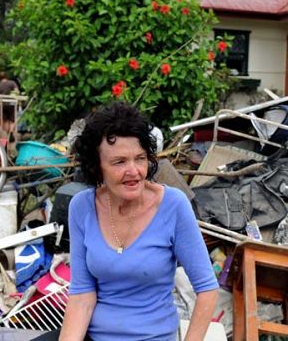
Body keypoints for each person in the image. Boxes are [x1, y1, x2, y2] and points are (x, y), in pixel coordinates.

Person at [57, 101, 218, 340]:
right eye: (119, 162)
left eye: (140, 158)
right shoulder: (82, 207)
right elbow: (82, 296)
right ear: (97, 167)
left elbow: (206, 289)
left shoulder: (173, 205)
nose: (133, 171)